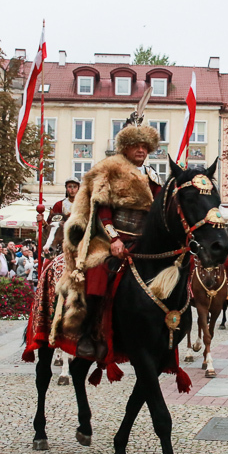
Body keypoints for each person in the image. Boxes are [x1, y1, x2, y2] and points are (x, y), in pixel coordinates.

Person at [55, 116, 161, 359]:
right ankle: (88, 331)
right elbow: (102, 207)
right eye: (137, 146)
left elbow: (158, 209)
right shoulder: (111, 169)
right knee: (98, 271)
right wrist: (114, 239)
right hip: (109, 237)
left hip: (142, 240)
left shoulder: (153, 176)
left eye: (145, 147)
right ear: (126, 148)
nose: (142, 150)